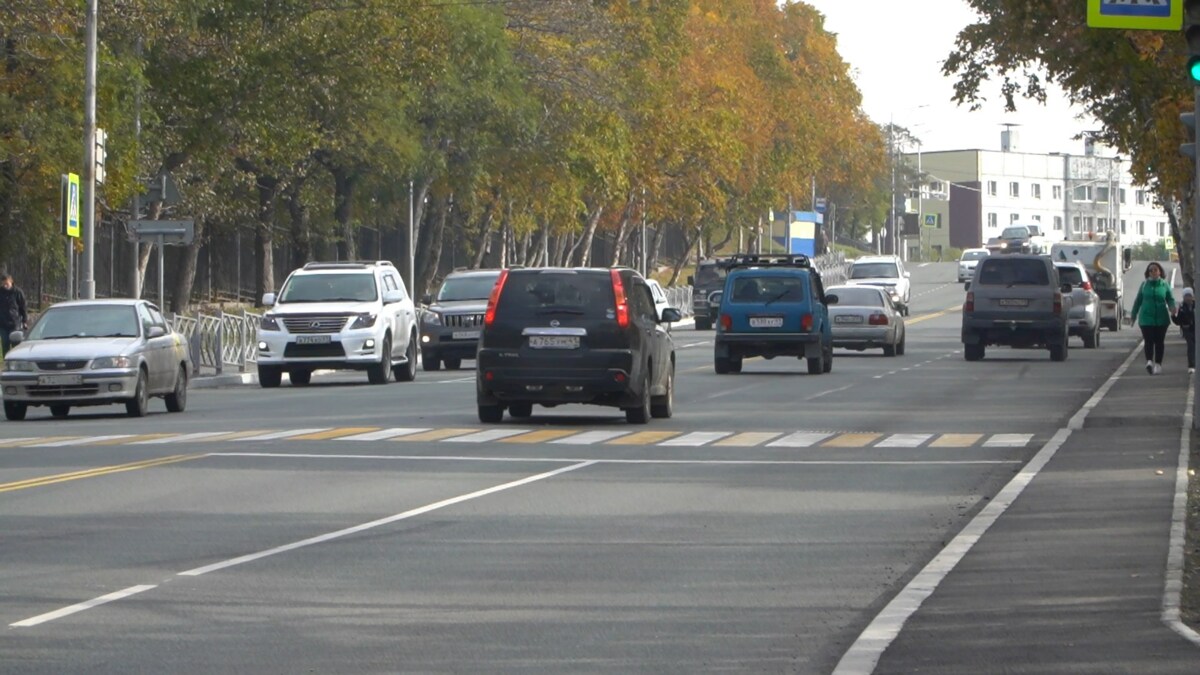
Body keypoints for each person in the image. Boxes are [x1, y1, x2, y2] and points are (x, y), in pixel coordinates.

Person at [1129, 262, 1177, 375]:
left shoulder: (1164, 285)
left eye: (1155, 270)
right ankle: (1149, 361)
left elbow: (1170, 298)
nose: (1153, 272)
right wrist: (1133, 316)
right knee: (1149, 340)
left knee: (1159, 342)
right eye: (1151, 270)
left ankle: (1158, 364)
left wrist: (1172, 308)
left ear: (1160, 271)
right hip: (1146, 319)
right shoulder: (1144, 285)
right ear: (1148, 273)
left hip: (1161, 318)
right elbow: (1138, 301)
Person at [0, 273, 28, 356]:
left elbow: (23, 307)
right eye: (3, 284)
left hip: (15, 323)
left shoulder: (17, 292)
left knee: (16, 343)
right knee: (5, 343)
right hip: (3, 324)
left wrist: (25, 320)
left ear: (11, 282)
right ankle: (7, 361)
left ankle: (16, 359)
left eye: (7, 283)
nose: (5, 286)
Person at [1174, 287, 1196, 374]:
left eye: (1189, 295)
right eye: (1186, 296)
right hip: (1187, 330)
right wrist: (1173, 315)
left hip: (1196, 329)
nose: (1188, 298)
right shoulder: (1182, 307)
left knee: (1196, 346)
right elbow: (1178, 321)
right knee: (1191, 346)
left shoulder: (1196, 305)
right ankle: (1191, 365)